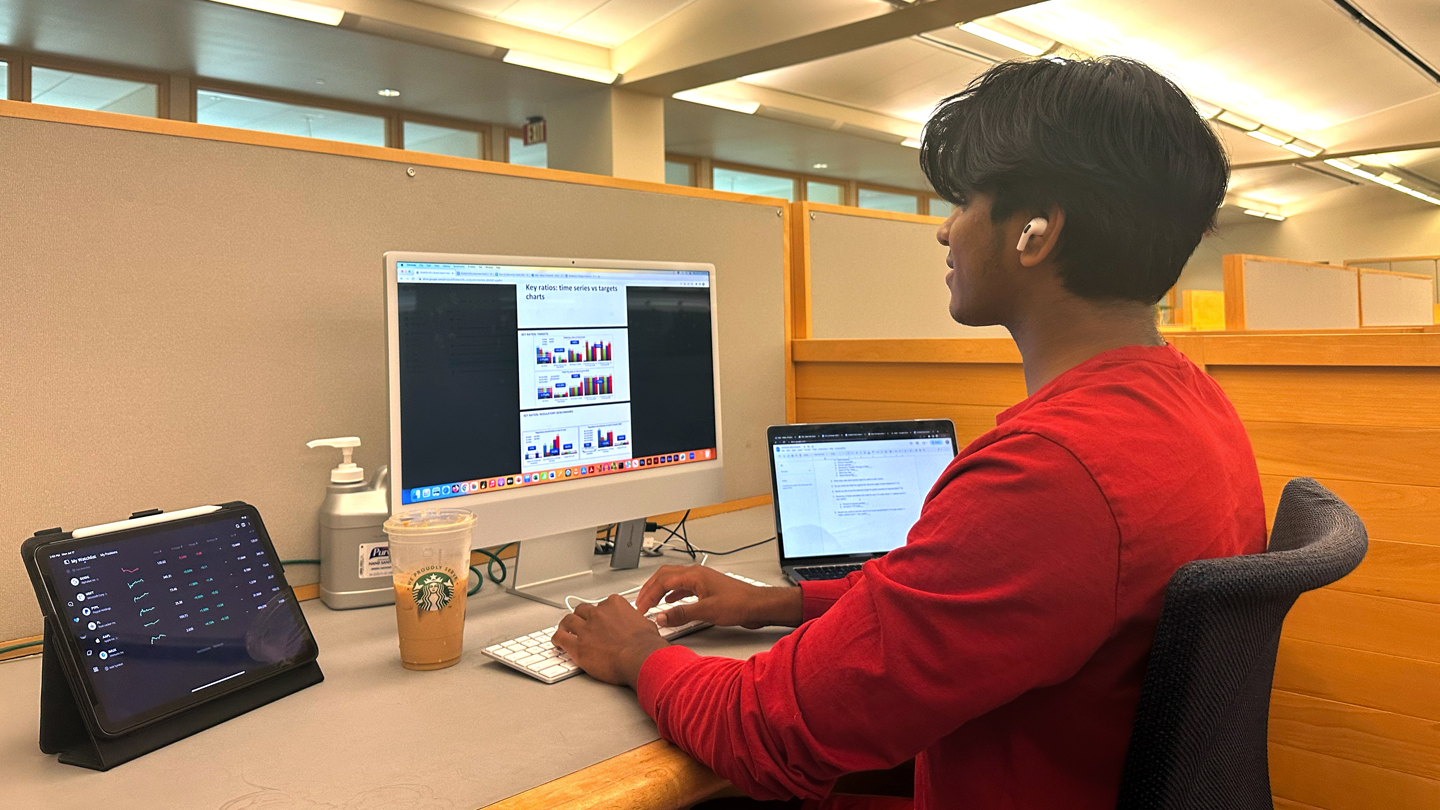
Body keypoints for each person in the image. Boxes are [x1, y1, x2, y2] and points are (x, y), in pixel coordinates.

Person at [552, 56, 1267, 810]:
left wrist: (637, 654)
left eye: (964, 201)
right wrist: (776, 603)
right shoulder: (1185, 402)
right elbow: (951, 605)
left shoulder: (1055, 475)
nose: (945, 229)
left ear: (1035, 233)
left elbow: (764, 733)